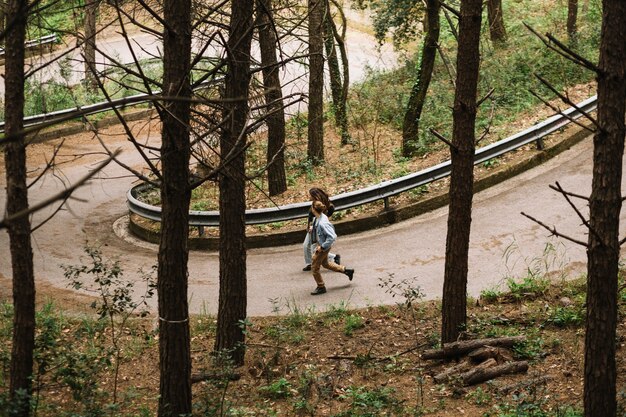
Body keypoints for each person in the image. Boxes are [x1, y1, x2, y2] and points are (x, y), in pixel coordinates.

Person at [309, 200, 354, 295]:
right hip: (323, 246)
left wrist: (322, 247)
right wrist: (313, 229)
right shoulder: (319, 217)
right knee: (325, 264)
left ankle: (321, 286)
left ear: (313, 209)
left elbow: (332, 236)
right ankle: (346, 270)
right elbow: (319, 229)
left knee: (314, 267)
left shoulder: (322, 223)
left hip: (323, 247)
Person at [302, 187, 340, 271]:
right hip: (313, 227)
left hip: (318, 228)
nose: (309, 197)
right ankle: (309, 263)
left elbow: (324, 218)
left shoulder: (326, 206)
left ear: (315, 196)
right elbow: (310, 217)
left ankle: (334, 257)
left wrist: (315, 226)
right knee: (305, 245)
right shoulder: (313, 204)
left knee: (314, 248)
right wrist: (309, 226)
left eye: (311, 195)